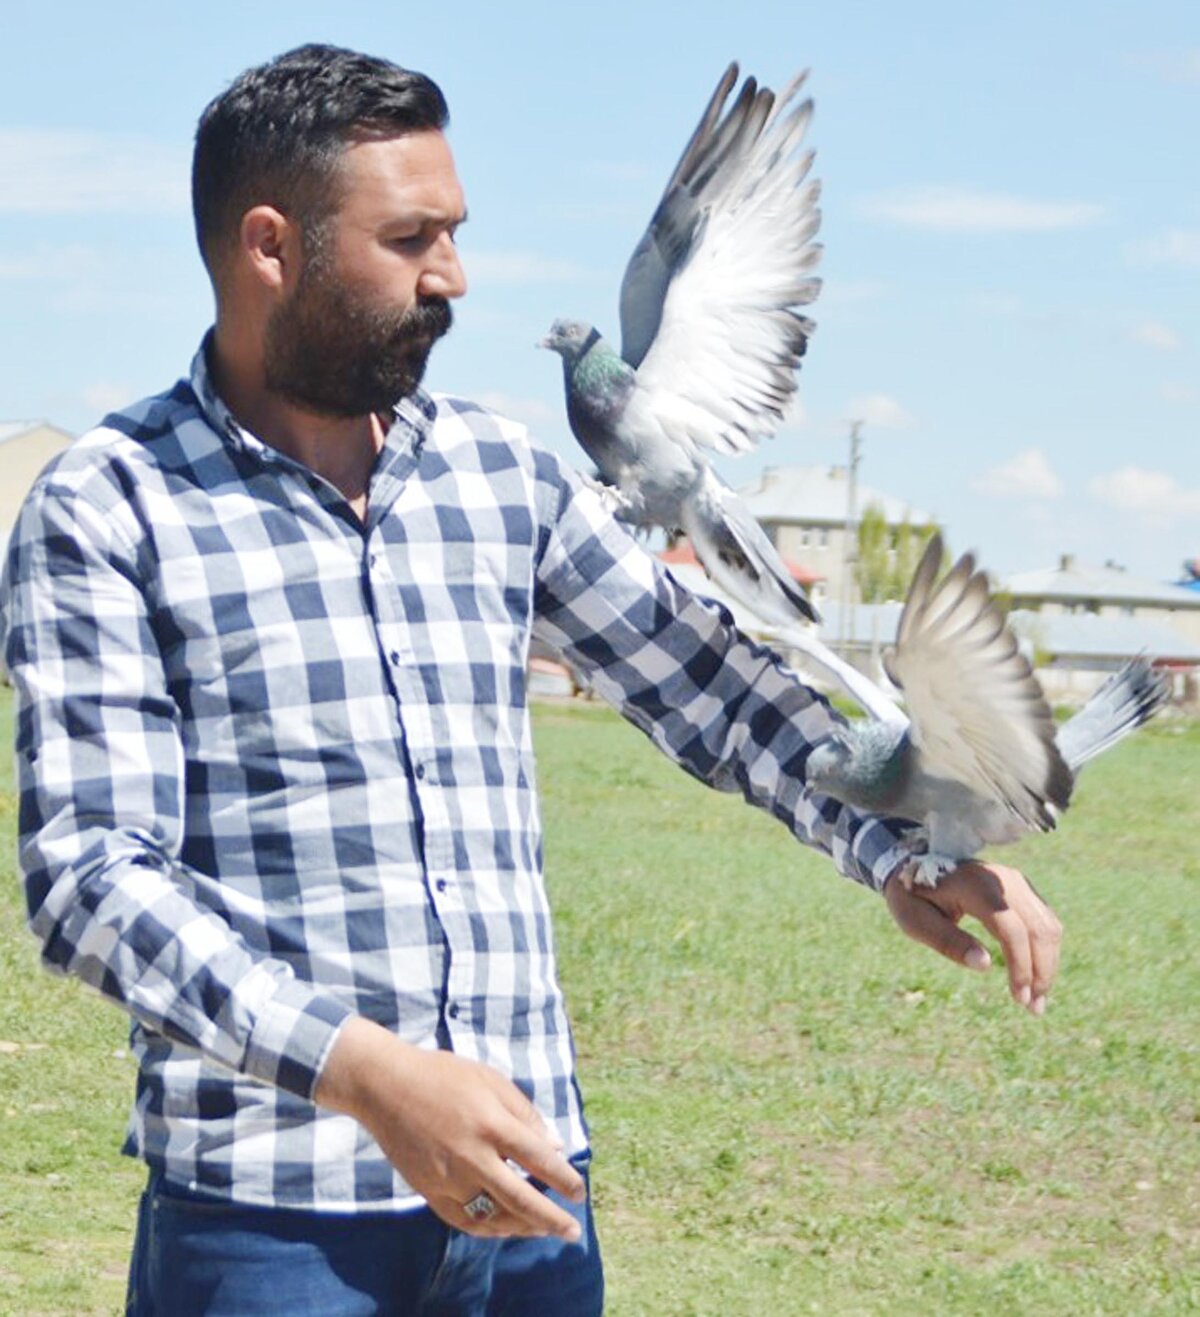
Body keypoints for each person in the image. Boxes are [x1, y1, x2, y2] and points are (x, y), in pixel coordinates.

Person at [0, 43, 1061, 1317]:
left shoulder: (504, 479)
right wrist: (372, 1078)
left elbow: (711, 689)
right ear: (270, 245)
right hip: (272, 1229)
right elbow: (89, 879)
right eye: (411, 240)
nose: (455, 275)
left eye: (455, 231)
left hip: (531, 1210)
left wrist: (899, 844)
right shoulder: (109, 504)